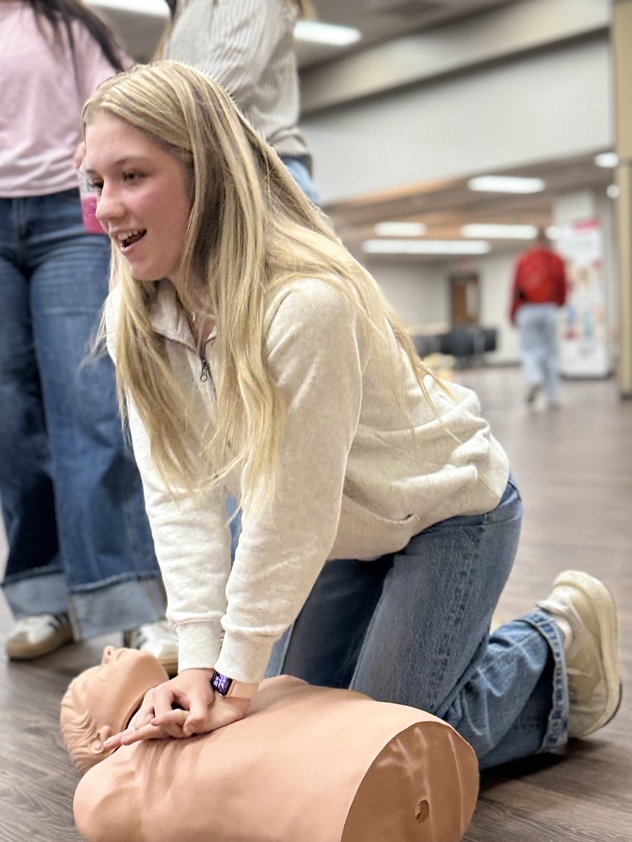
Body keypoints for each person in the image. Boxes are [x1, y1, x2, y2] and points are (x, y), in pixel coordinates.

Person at [81, 61, 621, 770]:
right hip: (342, 536)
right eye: (96, 183)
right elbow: (180, 498)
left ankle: (550, 648)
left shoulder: (305, 302)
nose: (107, 207)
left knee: (370, 757)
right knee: (293, 731)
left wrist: (232, 674)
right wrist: (198, 663)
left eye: (131, 176)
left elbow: (287, 508)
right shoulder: (138, 315)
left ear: (204, 172)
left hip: (446, 515)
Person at [0, 0, 177, 672]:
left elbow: (124, 105)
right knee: (11, 420)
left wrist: (105, 158)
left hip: (61, 221)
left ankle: (128, 602)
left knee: (88, 405)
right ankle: (42, 595)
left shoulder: (71, 25)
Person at [160, 0, 318, 203]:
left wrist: (152, 115)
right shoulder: (186, 6)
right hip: (220, 170)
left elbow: (229, 74)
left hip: (263, 170)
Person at [510, 227, 568, 407]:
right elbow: (562, 286)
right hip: (549, 309)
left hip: (527, 310)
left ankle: (534, 377)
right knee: (551, 352)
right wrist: (557, 304)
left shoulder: (523, 259)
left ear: (533, 242)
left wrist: (513, 313)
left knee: (529, 349)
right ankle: (552, 396)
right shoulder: (556, 260)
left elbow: (515, 289)